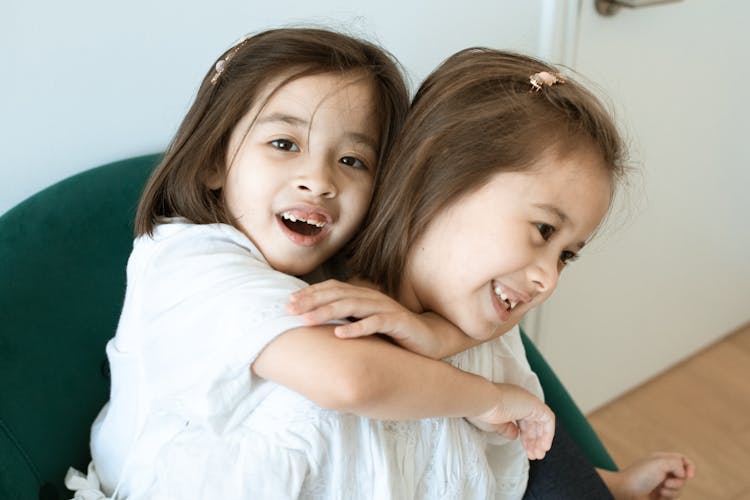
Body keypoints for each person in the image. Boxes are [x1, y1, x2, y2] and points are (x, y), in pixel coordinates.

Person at [72, 29, 557, 500]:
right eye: (285, 144)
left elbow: (451, 333)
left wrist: (434, 334)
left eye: (352, 160)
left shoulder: (338, 266)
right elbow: (351, 379)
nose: (318, 181)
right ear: (213, 162)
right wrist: (489, 399)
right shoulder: (186, 262)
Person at [282, 49, 696, 499]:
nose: (548, 280)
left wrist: (609, 486)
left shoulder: (486, 329)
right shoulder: (325, 330)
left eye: (566, 256)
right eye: (543, 230)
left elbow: (522, 460)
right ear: (440, 176)